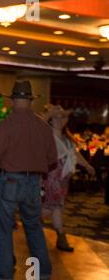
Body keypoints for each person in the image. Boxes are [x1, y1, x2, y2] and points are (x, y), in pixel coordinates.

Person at [0, 80, 57, 280]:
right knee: (34, 228)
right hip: (33, 183)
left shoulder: (7, 124)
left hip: (10, 181)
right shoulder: (43, 126)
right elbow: (52, 159)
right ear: (30, 101)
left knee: (3, 229)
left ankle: (4, 277)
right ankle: (41, 274)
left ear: (13, 101)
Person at [42, 105, 95, 252]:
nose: (60, 120)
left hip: (64, 178)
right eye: (57, 117)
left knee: (51, 206)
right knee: (57, 205)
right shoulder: (46, 136)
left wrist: (87, 166)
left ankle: (32, 221)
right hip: (51, 176)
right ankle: (61, 236)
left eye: (62, 117)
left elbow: (75, 155)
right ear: (51, 121)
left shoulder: (67, 139)